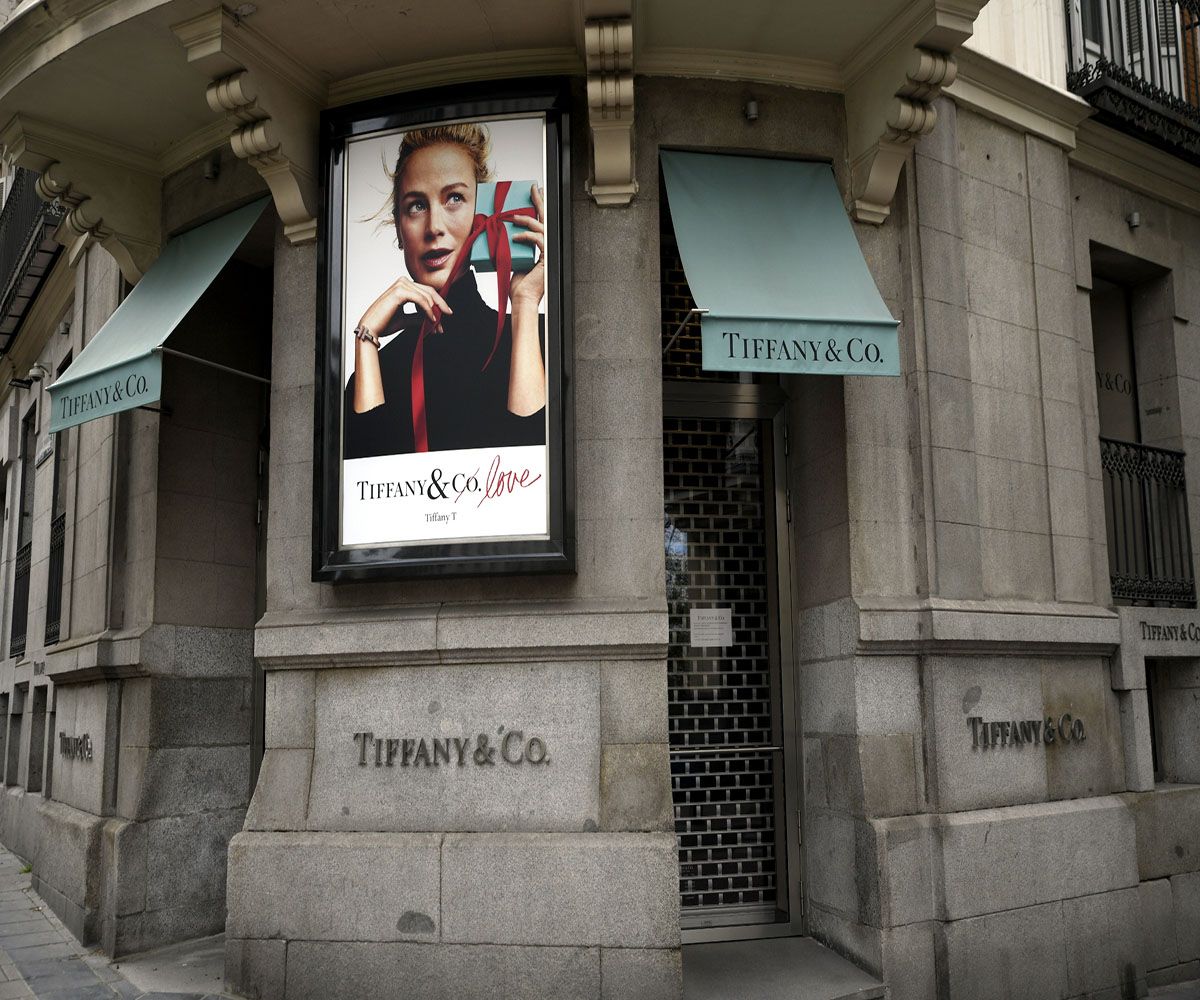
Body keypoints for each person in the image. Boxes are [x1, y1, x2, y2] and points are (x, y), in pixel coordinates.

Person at [343, 122, 546, 459]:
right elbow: (367, 482)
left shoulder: (536, 338)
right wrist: (365, 342)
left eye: (454, 198)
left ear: (483, 215)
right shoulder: (378, 369)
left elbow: (532, 473)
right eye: (416, 206)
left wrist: (524, 304)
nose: (434, 226)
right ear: (399, 227)